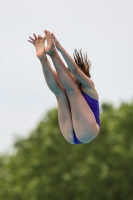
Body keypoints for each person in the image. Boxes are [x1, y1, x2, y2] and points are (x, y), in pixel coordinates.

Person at [28, 30, 100, 145]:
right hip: (70, 135)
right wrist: (43, 59)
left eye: (71, 73)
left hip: (88, 131)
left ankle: (52, 52)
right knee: (60, 92)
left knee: (72, 91)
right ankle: (42, 57)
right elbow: (53, 74)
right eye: (67, 72)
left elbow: (75, 70)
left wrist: (57, 49)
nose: (69, 74)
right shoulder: (67, 85)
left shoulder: (88, 86)